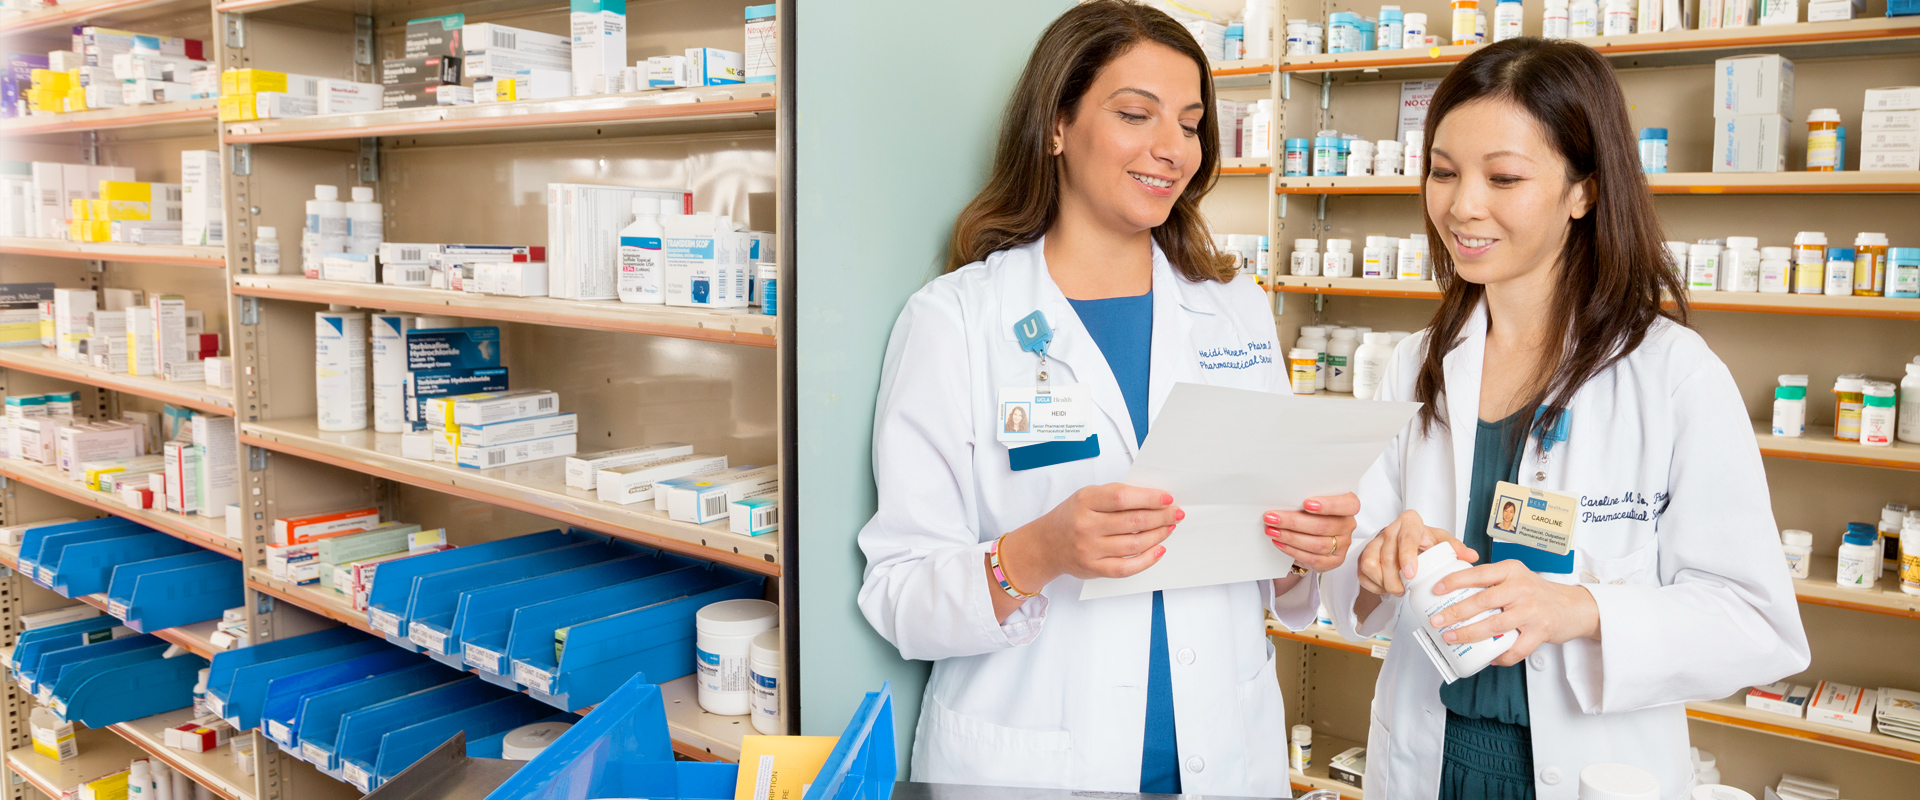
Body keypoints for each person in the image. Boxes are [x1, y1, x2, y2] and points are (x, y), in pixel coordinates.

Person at [857, 2, 1357, 794]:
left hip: (1224, 759)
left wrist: (1303, 551)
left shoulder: (1234, 309)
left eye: (1190, 124)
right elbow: (900, 594)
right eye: (1135, 114)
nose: (1172, 149)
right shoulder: (957, 319)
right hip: (1030, 766)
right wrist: (1038, 553)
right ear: (1057, 125)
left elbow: (1271, 570)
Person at [1317, 39, 1809, 799]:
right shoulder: (1416, 361)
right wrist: (1377, 560)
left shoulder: (1671, 374)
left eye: (1504, 177)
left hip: (1589, 770)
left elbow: (1756, 623)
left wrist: (1579, 609)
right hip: (1426, 758)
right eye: (1443, 172)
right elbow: (1355, 577)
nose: (1462, 205)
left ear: (1583, 191)